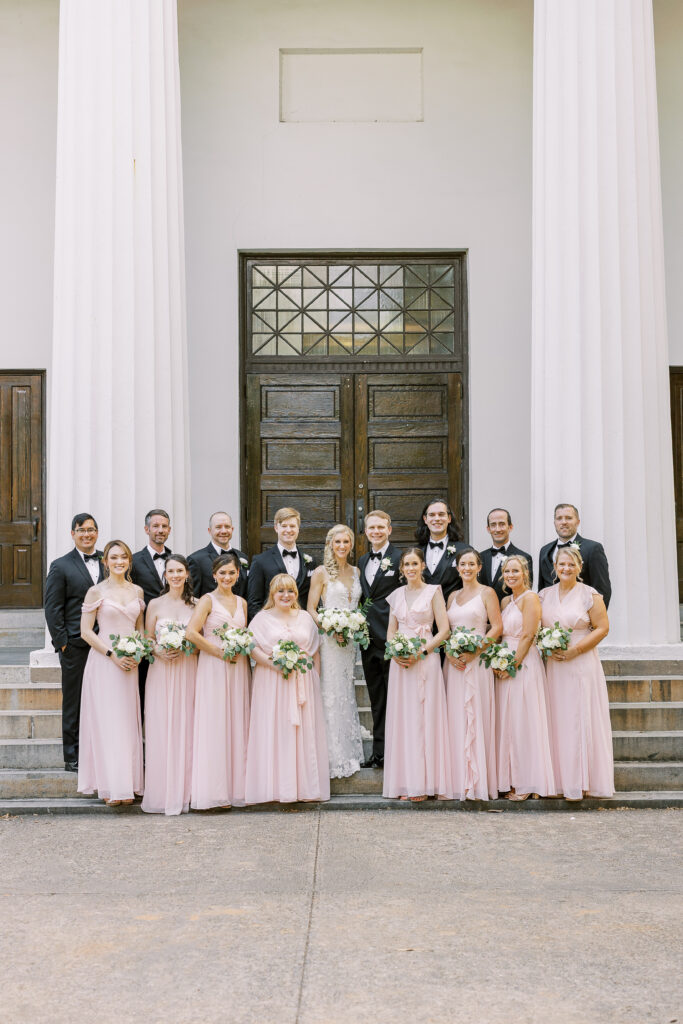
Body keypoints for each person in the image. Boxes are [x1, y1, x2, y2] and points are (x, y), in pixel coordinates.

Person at [245, 574, 329, 804]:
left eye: (290, 591)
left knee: (302, 732)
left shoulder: (304, 617)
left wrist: (314, 678)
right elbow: (252, 648)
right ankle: (275, 787)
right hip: (272, 680)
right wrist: (275, 664)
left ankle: (304, 787)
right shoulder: (261, 618)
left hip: (302, 681)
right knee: (276, 730)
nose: (285, 595)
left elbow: (315, 651)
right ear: (272, 594)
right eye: (280, 591)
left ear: (296, 594)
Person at [539, 545, 614, 800]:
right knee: (557, 720)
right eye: (562, 564)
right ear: (555, 567)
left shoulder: (590, 595)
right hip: (554, 666)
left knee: (579, 718)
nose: (566, 568)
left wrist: (576, 650)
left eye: (571, 564)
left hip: (581, 663)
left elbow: (602, 628)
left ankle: (582, 781)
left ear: (580, 567)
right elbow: (536, 629)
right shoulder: (544, 595)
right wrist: (545, 647)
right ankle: (559, 781)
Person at [77, 540, 145, 805]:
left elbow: (139, 627)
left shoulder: (137, 591)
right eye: (114, 557)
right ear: (105, 561)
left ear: (129, 561)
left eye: (124, 557)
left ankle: (126, 784)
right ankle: (109, 786)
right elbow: (85, 631)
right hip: (105, 662)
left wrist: (137, 652)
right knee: (108, 722)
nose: (119, 561)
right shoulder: (96, 592)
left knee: (126, 722)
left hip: (130, 664)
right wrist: (112, 654)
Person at [383, 548, 453, 801]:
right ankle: (406, 782)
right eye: (406, 564)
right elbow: (391, 630)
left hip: (425, 659)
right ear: (401, 569)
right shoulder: (396, 595)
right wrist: (395, 651)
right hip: (401, 663)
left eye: (415, 563)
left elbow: (443, 630)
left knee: (425, 718)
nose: (411, 568)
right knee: (405, 719)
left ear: (422, 565)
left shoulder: (434, 591)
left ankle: (425, 783)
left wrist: (421, 652)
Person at [186, 553, 251, 810]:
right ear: (214, 575)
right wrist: (218, 651)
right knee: (215, 723)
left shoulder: (242, 602)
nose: (227, 577)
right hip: (214, 665)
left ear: (237, 575)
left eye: (231, 573)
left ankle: (236, 788)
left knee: (236, 722)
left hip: (237, 667)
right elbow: (192, 632)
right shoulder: (207, 600)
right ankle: (213, 791)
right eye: (222, 573)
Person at [44, 513, 104, 772]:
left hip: (105, 644)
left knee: (102, 698)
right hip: (75, 644)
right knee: (74, 699)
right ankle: (73, 756)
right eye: (81, 530)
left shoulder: (109, 560)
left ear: (97, 532)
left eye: (91, 530)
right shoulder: (61, 565)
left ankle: (98, 750)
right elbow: (52, 606)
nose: (87, 534)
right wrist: (62, 643)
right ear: (73, 534)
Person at [496, 555, 556, 800]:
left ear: (525, 573)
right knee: (509, 723)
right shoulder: (504, 600)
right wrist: (497, 661)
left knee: (525, 721)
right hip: (505, 662)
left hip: (523, 663)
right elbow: (502, 636)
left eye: (516, 571)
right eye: (507, 571)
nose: (511, 575)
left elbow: (529, 635)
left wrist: (511, 664)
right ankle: (512, 779)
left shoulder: (531, 598)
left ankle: (528, 782)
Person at [141, 554, 197, 816]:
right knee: (162, 727)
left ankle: (188, 791)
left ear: (187, 574)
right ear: (165, 575)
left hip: (188, 669)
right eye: (170, 571)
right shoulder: (154, 604)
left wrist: (189, 648)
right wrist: (159, 651)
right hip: (161, 670)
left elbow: (201, 640)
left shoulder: (197, 605)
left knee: (188, 728)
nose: (175, 575)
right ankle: (163, 793)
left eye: (179, 571)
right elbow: (147, 638)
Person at [307, 524, 364, 779]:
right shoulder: (321, 573)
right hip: (330, 643)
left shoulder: (356, 571)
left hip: (349, 643)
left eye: (346, 542)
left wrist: (353, 626)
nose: (342, 546)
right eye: (338, 542)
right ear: (330, 544)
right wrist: (330, 628)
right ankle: (330, 756)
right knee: (329, 693)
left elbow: (358, 607)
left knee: (345, 692)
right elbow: (310, 609)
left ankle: (348, 751)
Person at [444, 547, 502, 801]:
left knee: (476, 714)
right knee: (456, 717)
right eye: (462, 564)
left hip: (478, 662)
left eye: (471, 564)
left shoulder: (487, 593)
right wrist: (449, 653)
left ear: (479, 567)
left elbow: (496, 627)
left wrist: (476, 651)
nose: (466, 568)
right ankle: (457, 780)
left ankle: (478, 782)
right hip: (454, 664)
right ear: (457, 568)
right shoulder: (451, 596)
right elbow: (446, 631)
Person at [357, 510, 403, 768]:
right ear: (366, 532)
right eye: (371, 528)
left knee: (397, 698)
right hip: (368, 640)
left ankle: (398, 752)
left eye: (380, 527)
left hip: (391, 637)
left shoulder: (400, 558)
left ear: (389, 529)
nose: (376, 531)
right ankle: (379, 753)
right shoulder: (363, 560)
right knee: (377, 699)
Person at [131, 508, 173, 719]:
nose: (160, 530)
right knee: (143, 685)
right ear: (147, 529)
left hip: (172, 635)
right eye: (156, 526)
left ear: (169, 530)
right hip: (145, 631)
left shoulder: (176, 560)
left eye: (164, 526)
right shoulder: (134, 560)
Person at [247, 507, 317, 621]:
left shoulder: (310, 561)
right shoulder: (260, 561)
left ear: (298, 528)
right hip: (272, 629)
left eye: (292, 526)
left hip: (302, 626)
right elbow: (254, 602)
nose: (288, 530)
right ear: (276, 528)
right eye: (284, 526)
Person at [538, 503, 611, 606]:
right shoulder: (545, 550)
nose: (563, 522)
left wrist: (593, 619)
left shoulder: (593, 548)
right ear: (554, 523)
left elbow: (602, 589)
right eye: (559, 518)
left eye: (568, 518)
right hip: (550, 616)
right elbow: (542, 588)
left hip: (581, 616)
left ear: (577, 522)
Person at [415, 498, 468, 601]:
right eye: (432, 515)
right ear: (425, 519)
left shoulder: (464, 550)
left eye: (441, 514)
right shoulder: (416, 551)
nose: (437, 518)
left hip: (453, 611)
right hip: (421, 614)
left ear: (449, 518)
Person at [188, 511, 249, 599]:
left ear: (232, 529)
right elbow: (192, 597)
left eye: (227, 527)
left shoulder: (243, 557)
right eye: (218, 527)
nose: (223, 531)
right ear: (209, 530)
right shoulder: (196, 560)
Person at [479, 507, 533, 601]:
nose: (497, 529)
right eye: (493, 525)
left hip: (511, 611)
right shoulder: (479, 557)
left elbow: (525, 594)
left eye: (502, 524)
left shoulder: (524, 557)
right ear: (488, 529)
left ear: (510, 527)